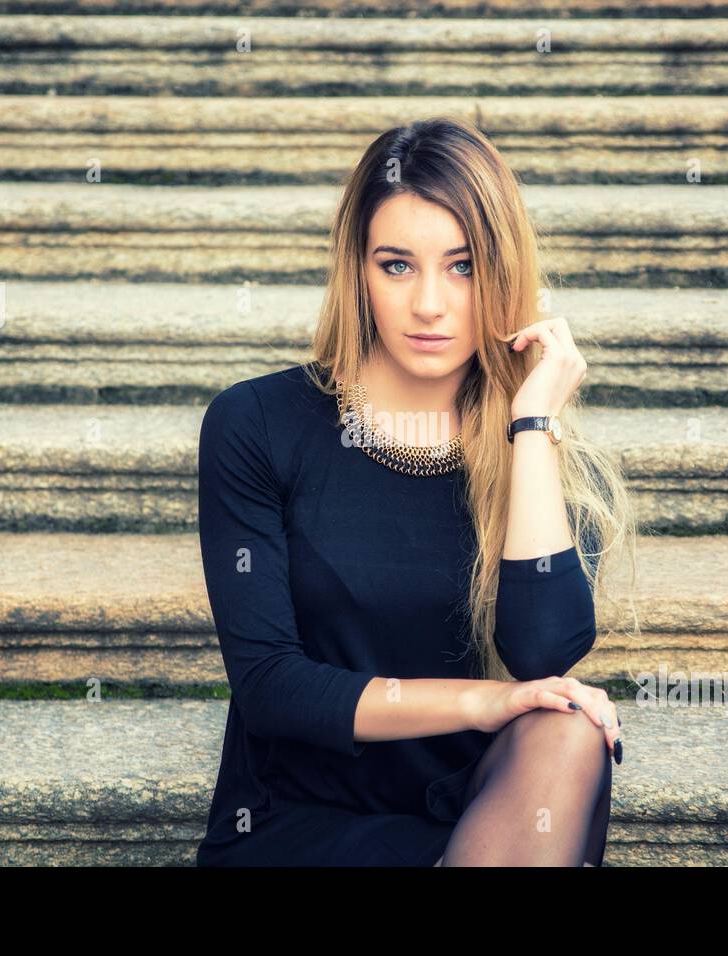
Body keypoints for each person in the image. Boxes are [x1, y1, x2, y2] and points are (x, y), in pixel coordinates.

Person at [195, 116, 638, 867]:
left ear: (503, 274)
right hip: (303, 818)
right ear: (357, 270)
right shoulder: (258, 424)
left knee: (566, 727)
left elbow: (542, 655)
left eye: (462, 267)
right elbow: (271, 683)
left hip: (480, 813)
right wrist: (481, 701)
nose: (430, 304)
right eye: (397, 265)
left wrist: (529, 424)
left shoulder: (549, 454)